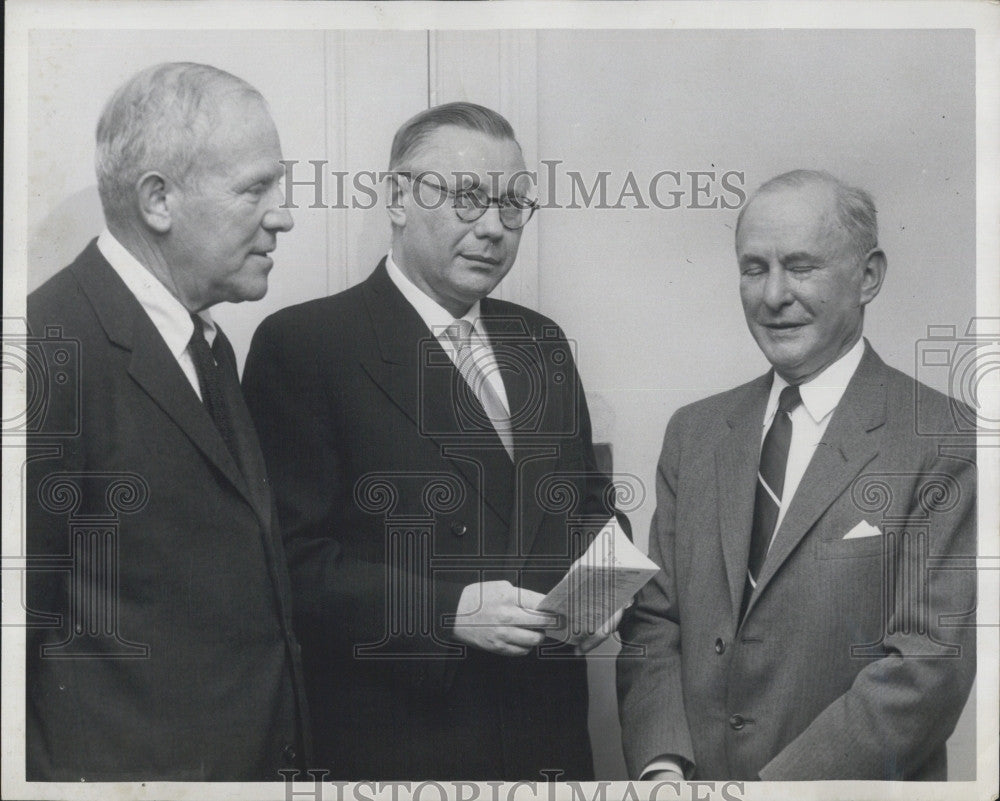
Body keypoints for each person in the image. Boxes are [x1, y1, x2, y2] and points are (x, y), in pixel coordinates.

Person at [242, 101, 626, 780]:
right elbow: (284, 567)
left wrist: (598, 594)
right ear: (397, 198)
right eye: (468, 197)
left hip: (549, 745)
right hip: (403, 749)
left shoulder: (540, 342)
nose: (492, 228)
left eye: (513, 204)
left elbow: (590, 506)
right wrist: (447, 611)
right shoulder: (307, 344)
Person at [617, 169, 976, 780]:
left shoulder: (946, 439)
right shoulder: (695, 433)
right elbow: (655, 622)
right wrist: (662, 768)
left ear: (868, 277)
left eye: (801, 266)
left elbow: (926, 666)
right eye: (753, 268)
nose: (773, 295)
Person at [25, 62, 309, 780]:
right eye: (255, 189)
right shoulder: (44, 352)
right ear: (158, 200)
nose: (283, 214)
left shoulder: (208, 343)